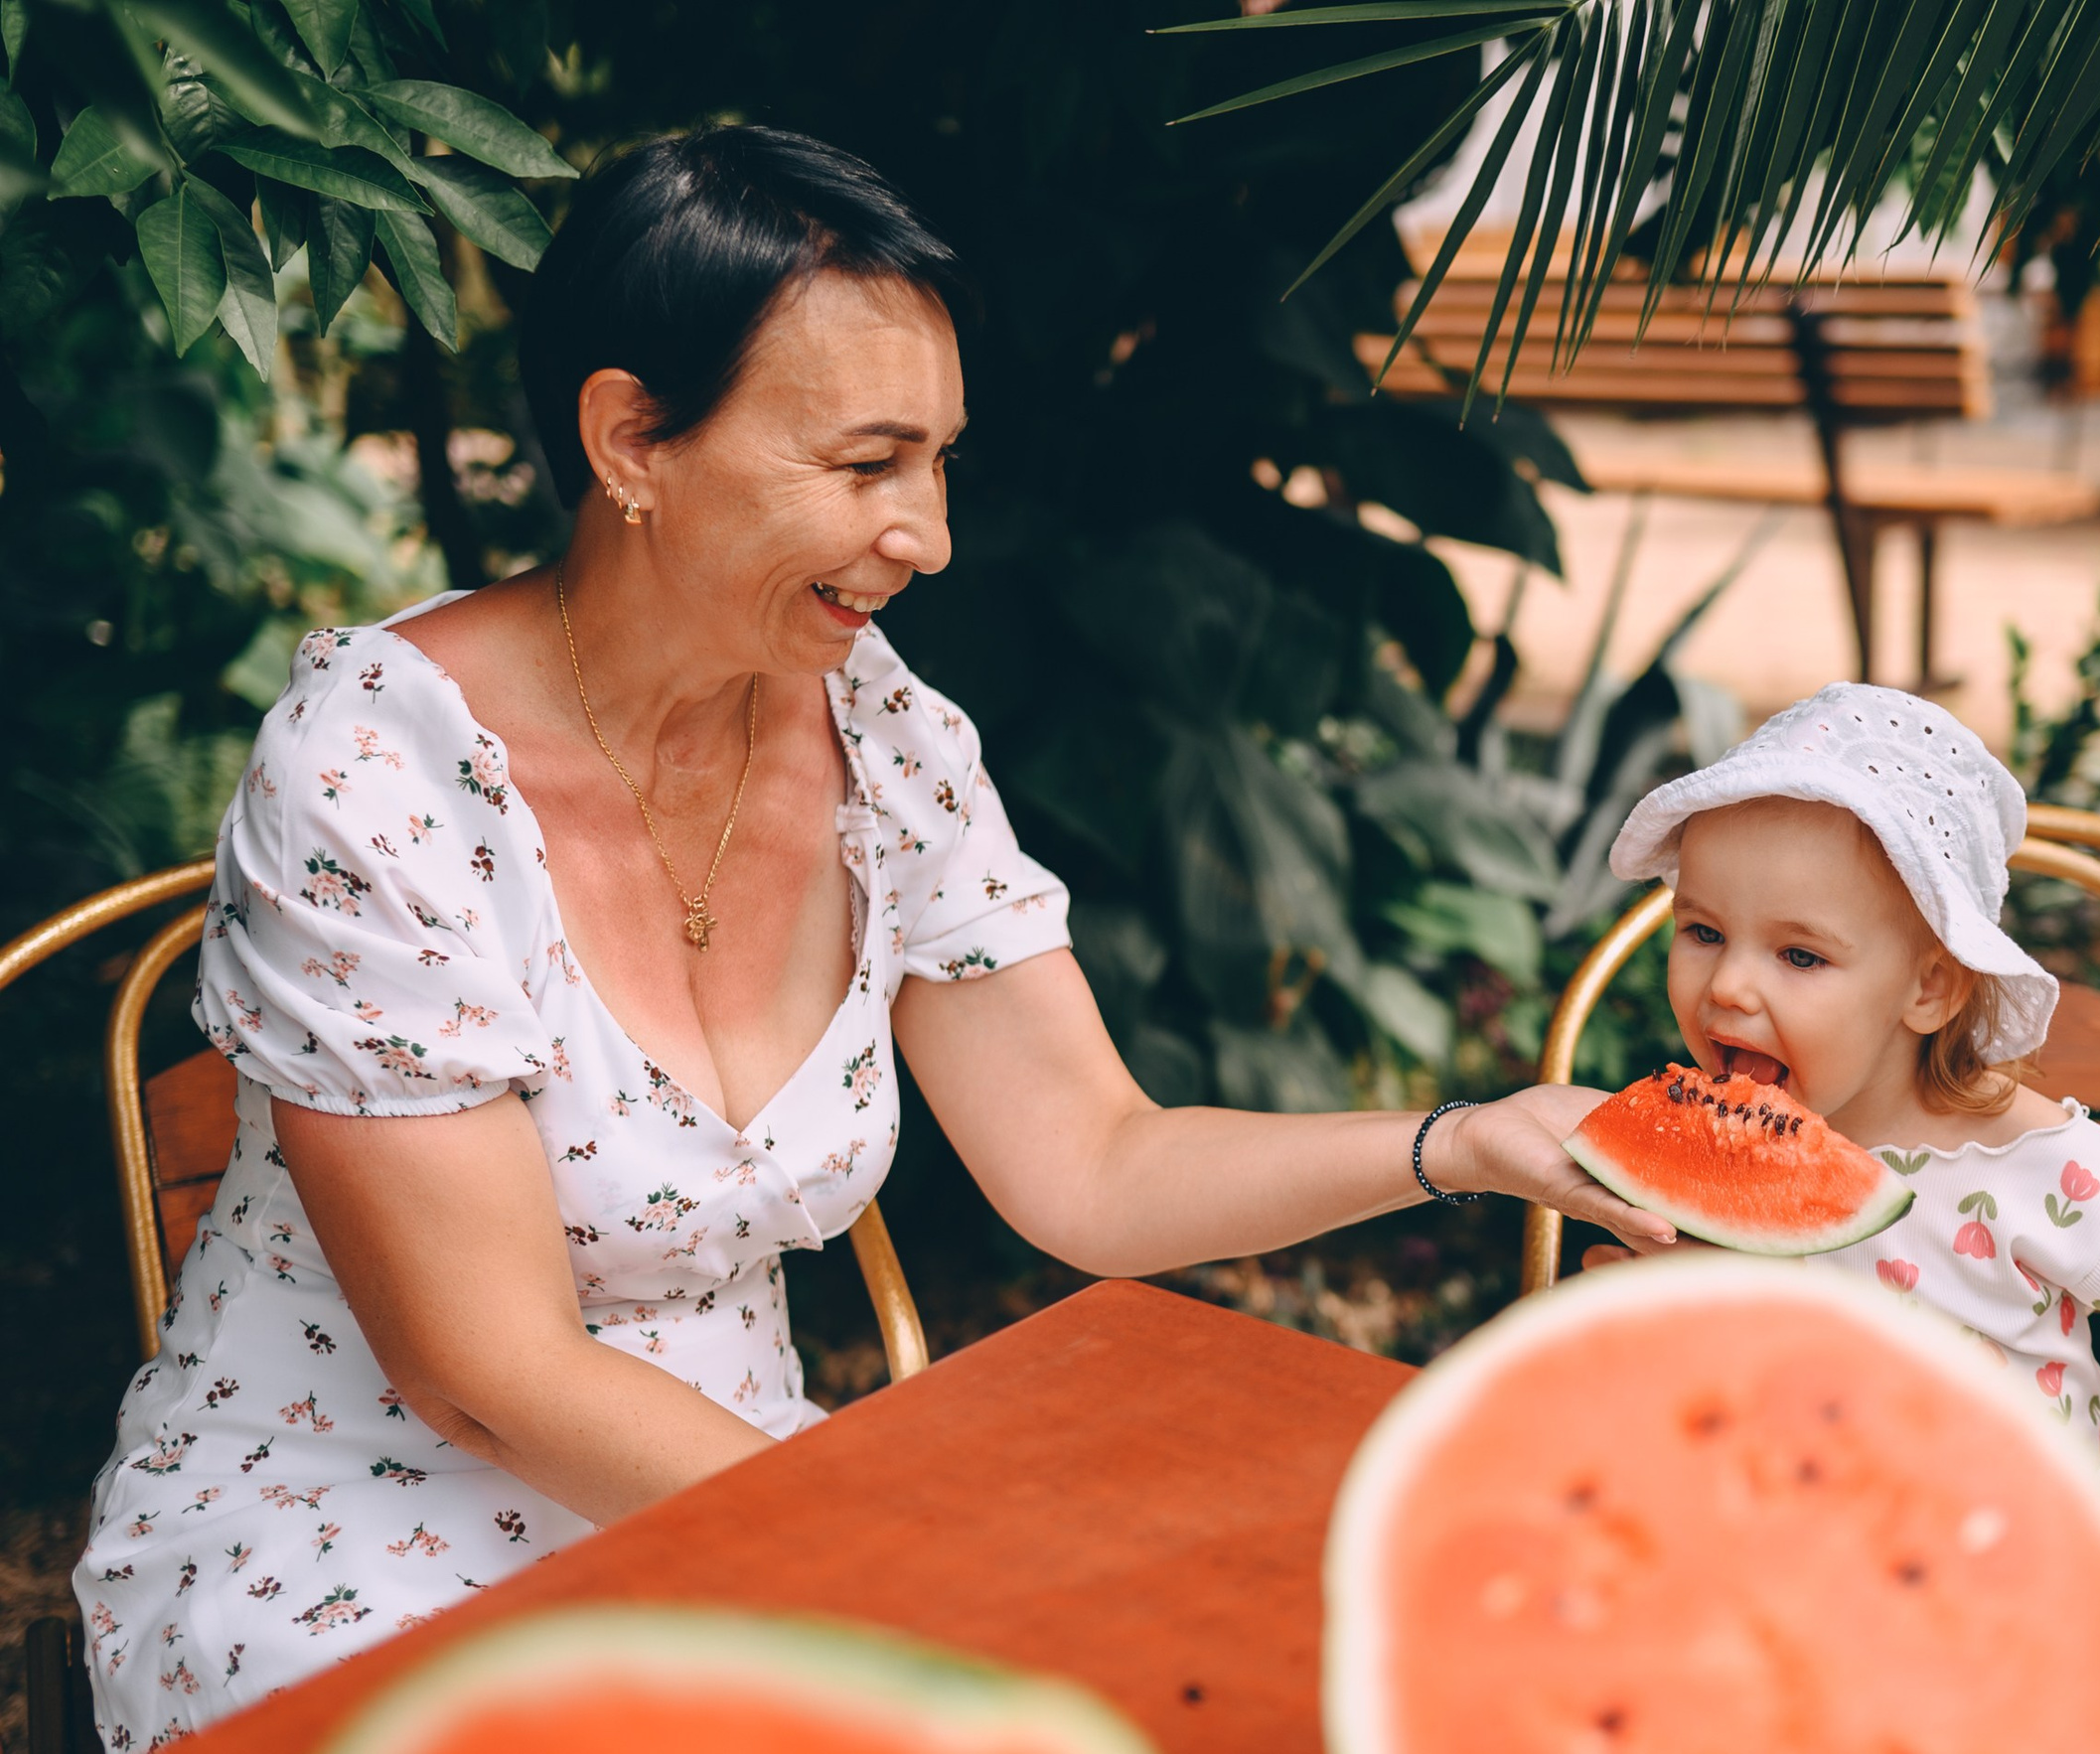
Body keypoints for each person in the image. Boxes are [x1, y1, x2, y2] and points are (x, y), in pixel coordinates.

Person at [74, 125, 1674, 1742]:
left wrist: (1467, 1141)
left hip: (753, 1483)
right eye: (863, 466)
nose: (932, 534)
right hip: (355, 1536)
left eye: (940, 463)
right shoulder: (373, 769)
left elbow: (1097, 1163)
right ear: (631, 438)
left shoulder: (885, 739)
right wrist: (911, 1565)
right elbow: (486, 1371)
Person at [1593, 682, 2100, 1647]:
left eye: (1800, 955)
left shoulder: (2037, 1169)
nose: (1728, 984)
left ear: (1929, 985)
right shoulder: (1706, 1149)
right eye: (1701, 932)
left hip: (2021, 1585)